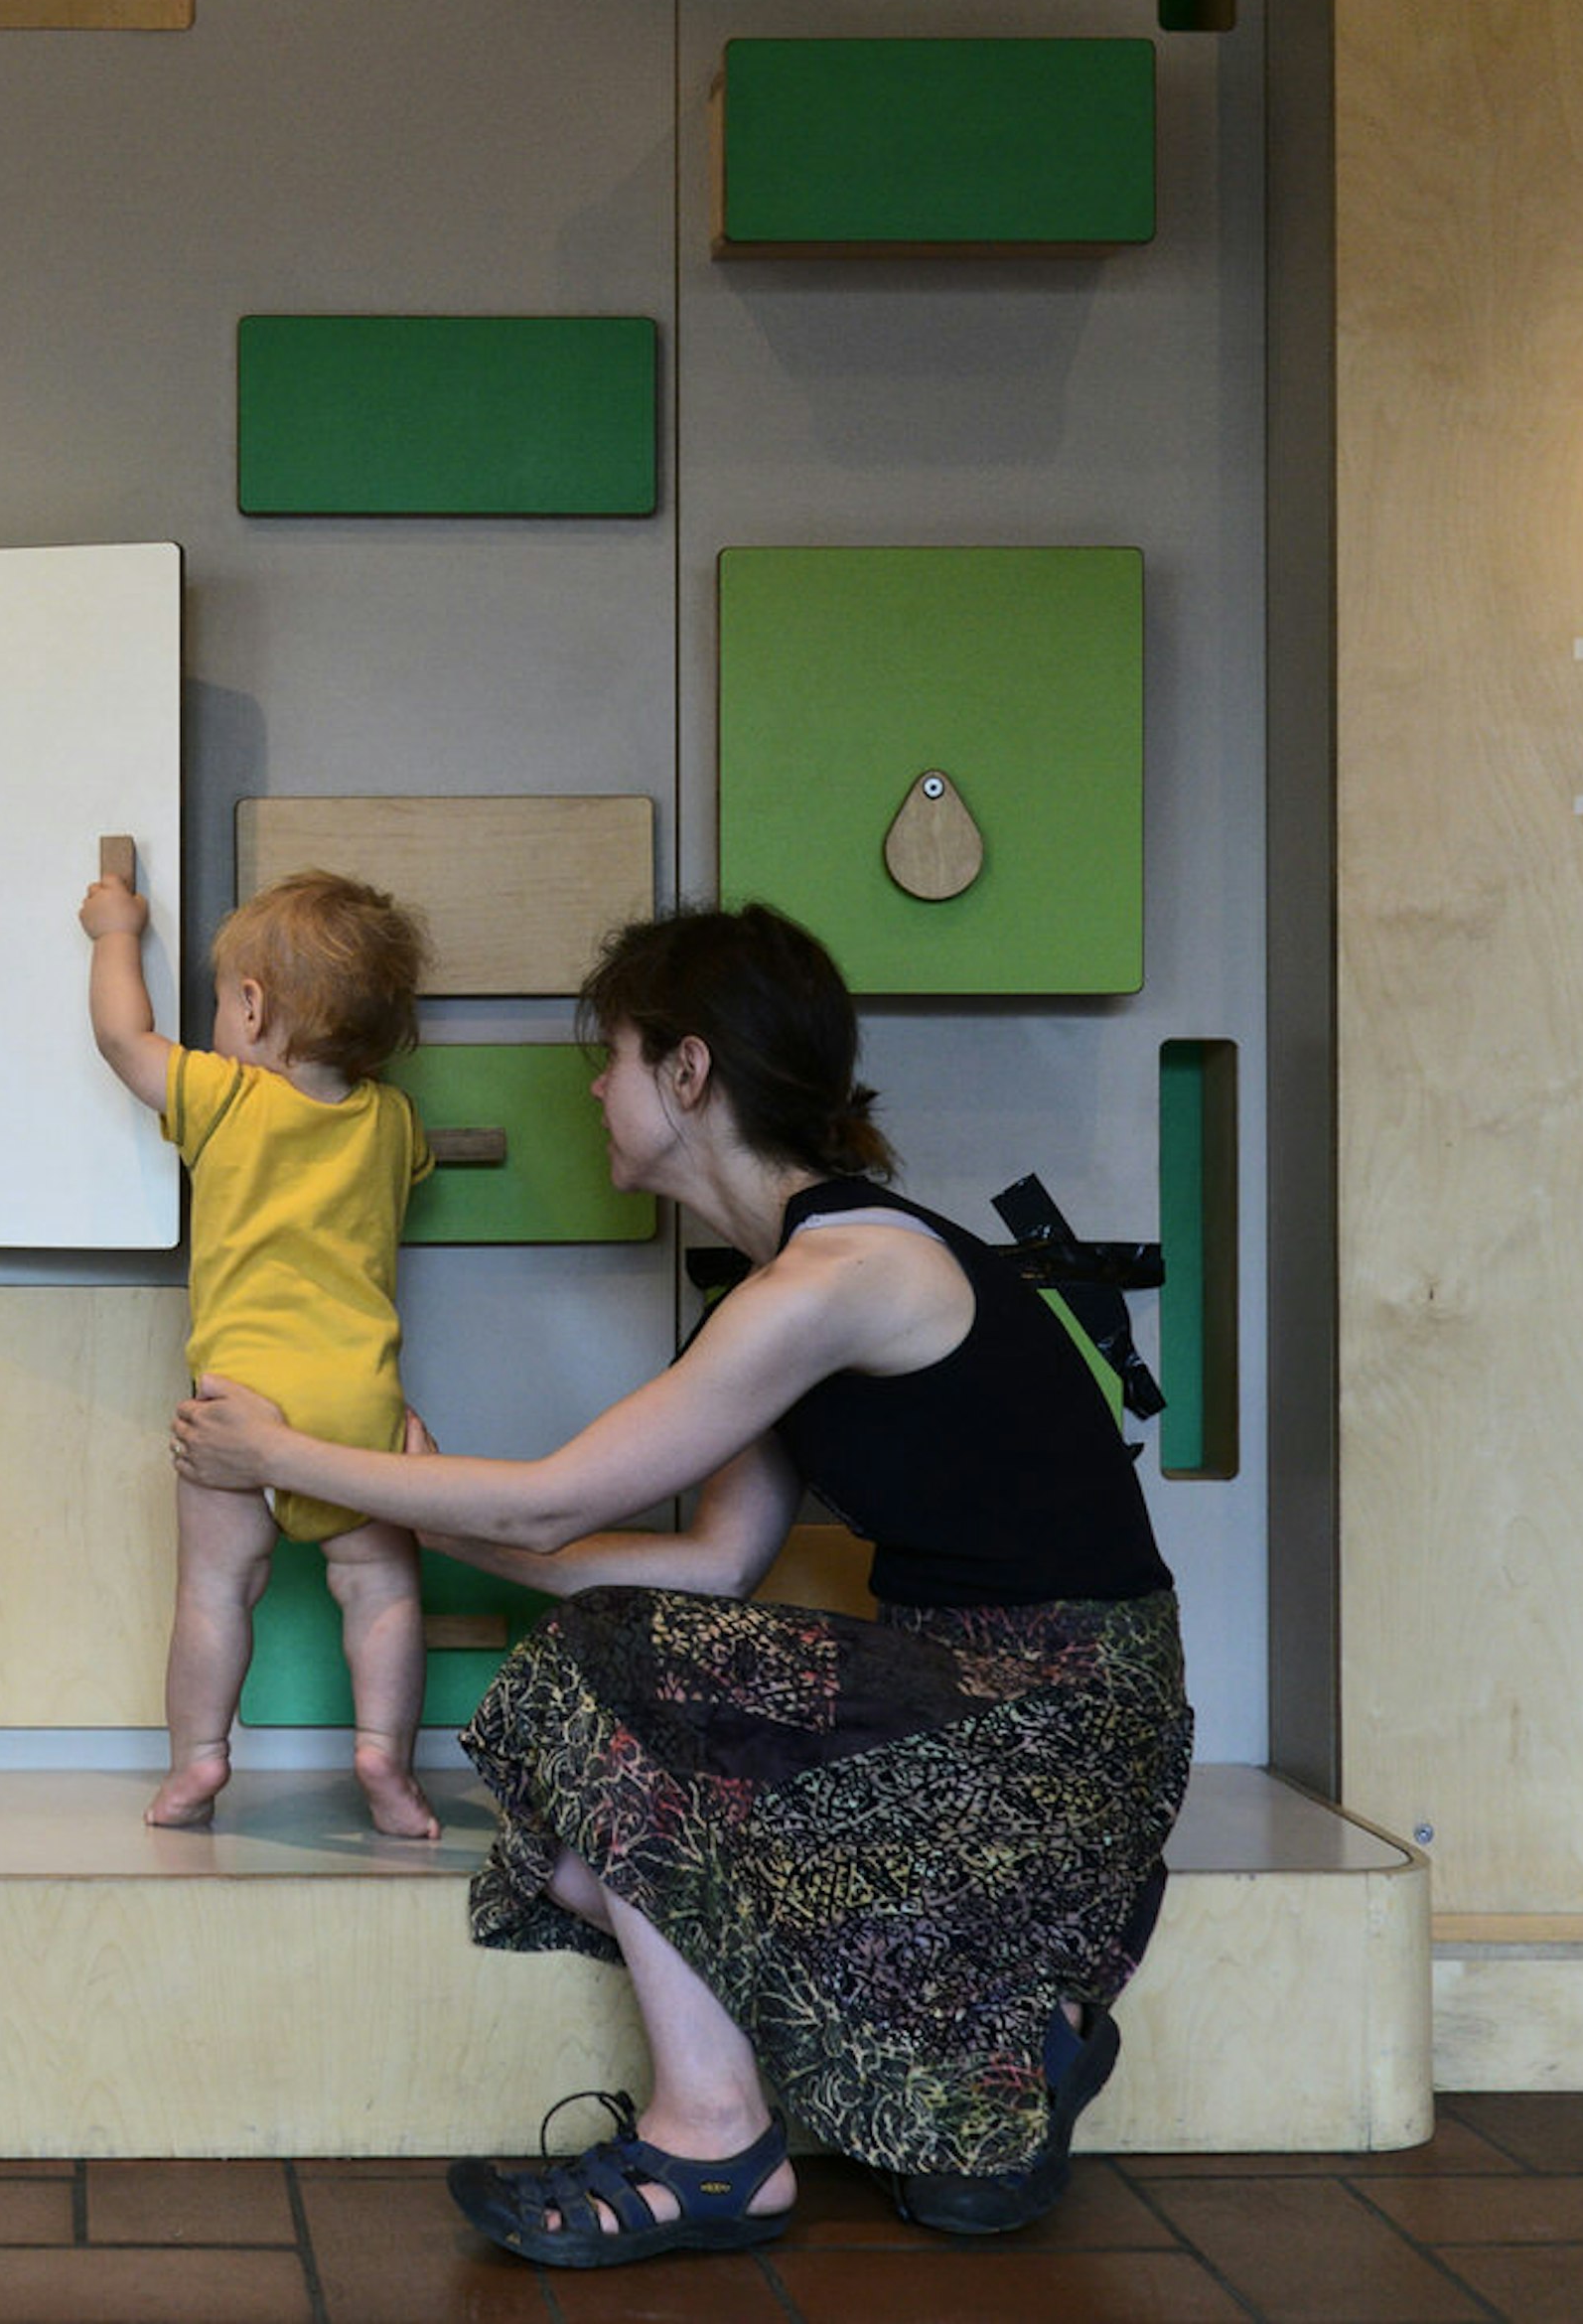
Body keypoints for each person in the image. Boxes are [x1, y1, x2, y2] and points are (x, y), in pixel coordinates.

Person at [170, 901, 1191, 2265]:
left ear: (691, 1073)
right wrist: (431, 1517)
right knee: (584, 1832)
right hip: (958, 1719)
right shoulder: (777, 1296)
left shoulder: (846, 1272)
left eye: (619, 1055)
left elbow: (558, 1499)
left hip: (1065, 1725)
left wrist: (287, 1457)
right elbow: (709, 1561)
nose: (597, 1085)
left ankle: (714, 2140)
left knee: (598, 1683)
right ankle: (1010, 2041)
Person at [84, 863, 442, 1839]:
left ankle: (198, 1763)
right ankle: (384, 1757)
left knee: (214, 1588)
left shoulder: (227, 1097)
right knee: (378, 1587)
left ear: (249, 1008)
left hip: (238, 1409)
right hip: (359, 1413)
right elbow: (413, 1167)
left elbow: (122, 1037)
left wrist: (114, 932)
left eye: (217, 1002)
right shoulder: (393, 1123)